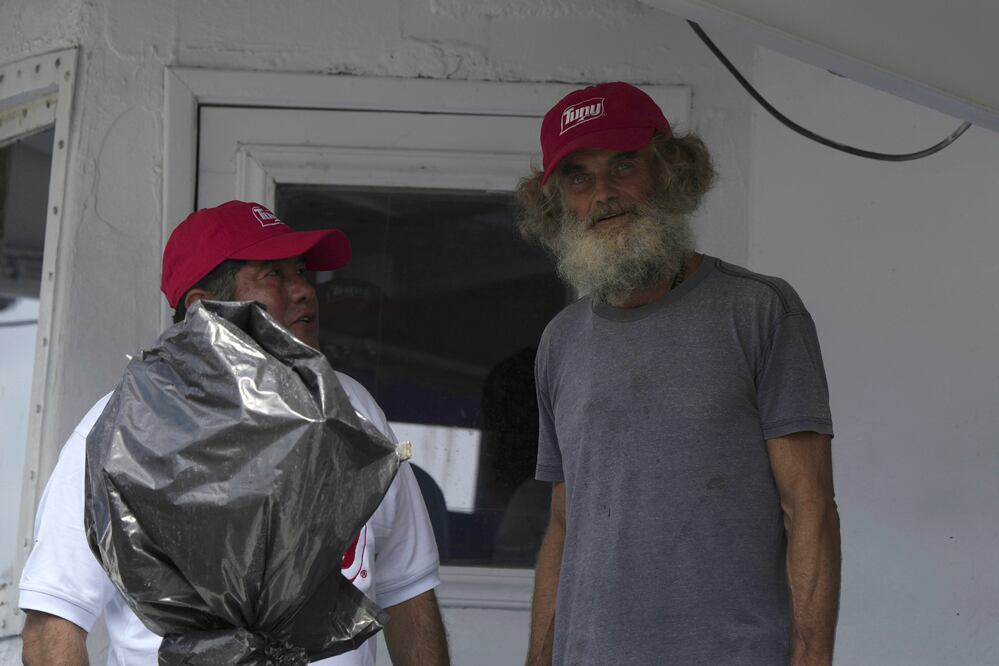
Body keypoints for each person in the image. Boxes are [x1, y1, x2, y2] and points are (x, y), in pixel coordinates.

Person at [19, 200, 450, 666]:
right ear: (206, 309)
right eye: (274, 275)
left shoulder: (356, 411)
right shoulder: (120, 431)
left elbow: (408, 593)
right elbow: (53, 625)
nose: (305, 289)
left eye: (302, 271)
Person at [516, 82, 841, 665]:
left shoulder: (760, 310)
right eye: (579, 177)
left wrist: (812, 659)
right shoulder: (560, 342)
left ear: (669, 170)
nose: (605, 195)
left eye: (624, 165)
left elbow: (809, 505)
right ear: (558, 204)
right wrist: (540, 657)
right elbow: (564, 522)